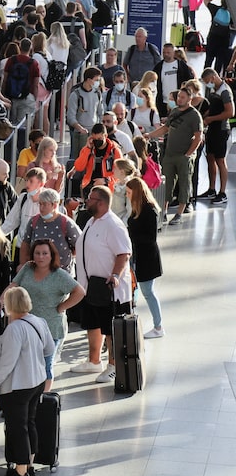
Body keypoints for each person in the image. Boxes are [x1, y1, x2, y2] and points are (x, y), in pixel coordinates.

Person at [0, 286, 55, 476]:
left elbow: (7, 363)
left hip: (17, 386)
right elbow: (49, 349)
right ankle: (28, 467)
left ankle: (20, 474)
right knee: (30, 423)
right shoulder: (39, 322)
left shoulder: (14, 329)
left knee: (17, 428)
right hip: (36, 381)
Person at [73, 186, 133, 383]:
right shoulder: (92, 221)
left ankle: (113, 365)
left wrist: (115, 275)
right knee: (92, 323)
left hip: (108, 288)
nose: (86, 201)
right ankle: (94, 360)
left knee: (110, 328)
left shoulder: (113, 225)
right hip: (90, 286)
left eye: (90, 198)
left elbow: (123, 253)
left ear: (101, 202)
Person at [10, 240, 84, 392]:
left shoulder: (59, 275)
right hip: (27, 326)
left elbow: (80, 292)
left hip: (51, 328)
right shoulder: (27, 269)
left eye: (45, 253)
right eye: (37, 253)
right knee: (27, 364)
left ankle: (44, 397)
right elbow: (13, 286)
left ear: (51, 256)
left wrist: (63, 306)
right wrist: (1, 302)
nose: (41, 257)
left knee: (46, 364)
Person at [142, 86, 203, 225]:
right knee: (166, 184)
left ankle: (179, 213)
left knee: (184, 183)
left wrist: (188, 154)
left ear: (189, 99)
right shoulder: (175, 112)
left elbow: (198, 137)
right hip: (169, 154)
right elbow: (166, 128)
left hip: (183, 155)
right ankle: (163, 212)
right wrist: (150, 135)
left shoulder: (194, 115)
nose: (179, 99)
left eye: (182, 97)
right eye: (179, 96)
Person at [125, 177, 164, 338]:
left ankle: (158, 326)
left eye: (128, 192)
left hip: (147, 257)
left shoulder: (148, 210)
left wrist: (132, 235)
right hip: (138, 256)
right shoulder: (137, 208)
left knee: (148, 291)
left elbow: (151, 238)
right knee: (141, 291)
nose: (127, 195)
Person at [17, 189, 81, 273]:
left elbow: (79, 244)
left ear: (54, 205)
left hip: (61, 273)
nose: (41, 208)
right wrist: (23, 264)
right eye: (40, 204)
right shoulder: (34, 221)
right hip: (37, 272)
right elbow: (25, 243)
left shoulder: (66, 223)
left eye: (44, 204)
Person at [197, 68, 233, 204]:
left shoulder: (224, 91)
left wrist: (212, 119)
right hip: (211, 129)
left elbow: (230, 112)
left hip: (221, 129)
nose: (207, 84)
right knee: (210, 157)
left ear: (213, 77)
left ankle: (222, 192)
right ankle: (211, 189)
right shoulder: (213, 90)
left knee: (220, 160)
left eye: (208, 82)